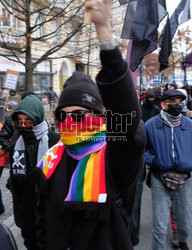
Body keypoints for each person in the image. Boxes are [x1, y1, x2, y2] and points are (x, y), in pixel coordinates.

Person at [32, 0, 145, 249]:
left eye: (80, 115)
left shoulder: (114, 156)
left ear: (100, 117)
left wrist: (104, 32)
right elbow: (41, 226)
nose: (70, 122)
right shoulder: (49, 163)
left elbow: (126, 120)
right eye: (63, 116)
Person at [7, 94, 60, 250]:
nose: (23, 126)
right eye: (19, 122)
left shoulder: (55, 142)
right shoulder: (15, 146)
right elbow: (15, 184)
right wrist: (19, 216)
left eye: (28, 121)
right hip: (28, 215)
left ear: (37, 118)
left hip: (51, 214)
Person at [144, 89, 192, 250]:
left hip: (184, 179)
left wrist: (188, 162)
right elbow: (143, 150)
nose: (177, 105)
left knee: (184, 223)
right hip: (160, 179)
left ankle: (183, 240)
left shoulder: (189, 125)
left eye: (180, 102)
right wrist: (155, 161)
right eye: (173, 102)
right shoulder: (150, 125)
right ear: (163, 105)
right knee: (160, 225)